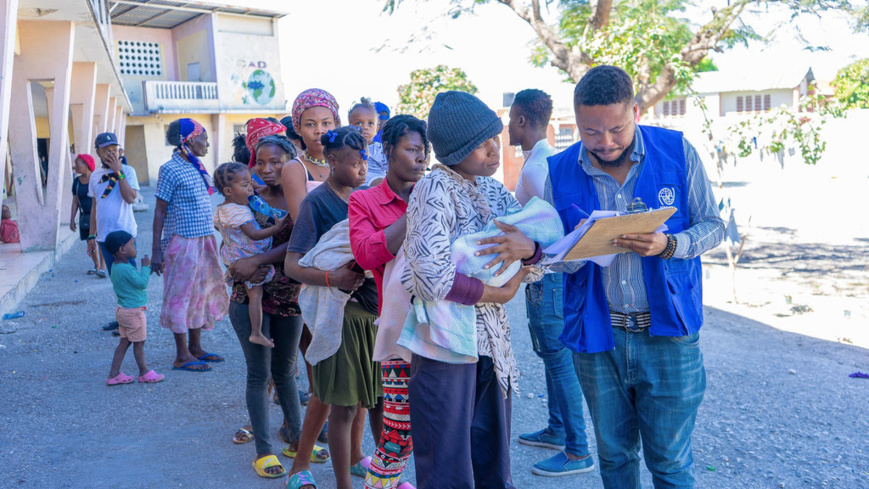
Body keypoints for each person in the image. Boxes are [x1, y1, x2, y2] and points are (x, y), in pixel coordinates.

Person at [547, 65, 724, 489]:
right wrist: (573, 250)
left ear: (637, 112)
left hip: (668, 338)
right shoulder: (558, 171)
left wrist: (669, 246)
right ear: (576, 122)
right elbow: (552, 258)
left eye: (617, 129)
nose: (604, 143)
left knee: (670, 464)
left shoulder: (677, 151)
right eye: (590, 132)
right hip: (597, 339)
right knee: (615, 459)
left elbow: (713, 226)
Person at [402, 91, 541, 488]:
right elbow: (430, 277)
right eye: (482, 143)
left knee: (491, 457)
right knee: (447, 464)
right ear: (456, 149)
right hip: (446, 346)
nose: (495, 148)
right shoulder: (433, 190)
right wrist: (498, 293)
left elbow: (534, 255)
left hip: (492, 346)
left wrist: (529, 252)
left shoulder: (494, 191)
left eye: (495, 137)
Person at [284, 126, 382, 489]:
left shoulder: (370, 196)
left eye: (365, 161)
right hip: (334, 312)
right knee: (332, 396)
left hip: (371, 312)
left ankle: (357, 457)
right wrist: (333, 278)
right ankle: (300, 468)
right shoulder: (317, 203)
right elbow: (293, 266)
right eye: (354, 163)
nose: (361, 169)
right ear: (331, 161)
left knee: (362, 395)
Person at [224, 134, 328, 478]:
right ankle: (264, 451)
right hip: (249, 297)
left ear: (292, 159)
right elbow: (233, 242)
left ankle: (298, 439)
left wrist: (256, 259)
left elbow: (303, 242)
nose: (267, 170)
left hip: (290, 298)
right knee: (259, 375)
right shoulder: (247, 199)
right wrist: (248, 263)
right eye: (261, 163)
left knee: (285, 373)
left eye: (276, 162)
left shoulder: (304, 196)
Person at [508, 89, 595, 476]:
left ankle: (578, 450)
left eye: (511, 119)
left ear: (523, 121)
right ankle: (558, 429)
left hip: (549, 277)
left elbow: (553, 229)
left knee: (559, 362)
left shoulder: (534, 168)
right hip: (548, 277)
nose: (509, 127)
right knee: (551, 357)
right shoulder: (544, 160)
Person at [349, 115, 428, 489]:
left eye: (424, 151)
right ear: (388, 151)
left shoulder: (435, 192)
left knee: (440, 432)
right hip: (397, 335)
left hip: (444, 331)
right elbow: (366, 255)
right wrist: (416, 211)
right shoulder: (365, 201)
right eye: (412, 150)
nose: (420, 159)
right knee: (397, 436)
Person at [151, 119, 228, 372]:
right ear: (189, 140)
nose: (206, 143)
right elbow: (160, 211)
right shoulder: (170, 169)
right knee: (180, 297)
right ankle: (181, 355)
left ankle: (195, 348)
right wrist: (156, 251)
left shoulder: (196, 166)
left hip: (204, 240)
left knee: (201, 295)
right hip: (182, 242)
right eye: (203, 138)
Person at [213, 162, 287, 348]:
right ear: (229, 191)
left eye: (250, 183)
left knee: (252, 292)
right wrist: (277, 228)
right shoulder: (239, 212)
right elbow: (254, 234)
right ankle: (256, 332)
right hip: (247, 252)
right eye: (245, 185)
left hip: (232, 252)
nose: (250, 189)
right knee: (256, 294)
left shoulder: (222, 209)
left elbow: (218, 227)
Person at [104, 230, 164, 386]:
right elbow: (142, 283)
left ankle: (114, 374)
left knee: (124, 342)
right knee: (139, 343)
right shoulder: (126, 268)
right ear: (122, 249)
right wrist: (145, 267)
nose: (135, 247)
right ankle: (144, 372)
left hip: (122, 310)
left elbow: (133, 282)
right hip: (133, 312)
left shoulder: (116, 267)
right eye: (132, 244)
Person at [87, 132, 139, 273]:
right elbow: (94, 208)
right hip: (104, 236)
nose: (110, 154)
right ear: (98, 152)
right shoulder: (95, 176)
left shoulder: (128, 171)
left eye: (114, 150)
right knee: (116, 278)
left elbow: (130, 198)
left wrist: (119, 172)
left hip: (125, 235)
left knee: (131, 277)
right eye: (106, 151)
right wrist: (91, 235)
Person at [70, 154, 107, 277]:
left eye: (78, 164)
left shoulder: (96, 178)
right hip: (85, 216)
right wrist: (72, 219)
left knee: (100, 240)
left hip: (98, 214)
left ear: (86, 164)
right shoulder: (76, 182)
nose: (75, 167)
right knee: (90, 242)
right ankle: (96, 265)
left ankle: (102, 266)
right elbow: (75, 201)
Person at [348, 98, 387, 187]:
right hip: (354, 181)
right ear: (350, 126)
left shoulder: (379, 148)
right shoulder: (347, 147)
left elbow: (391, 167)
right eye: (359, 123)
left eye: (370, 123)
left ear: (377, 129)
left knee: (382, 183)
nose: (365, 127)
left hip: (375, 180)